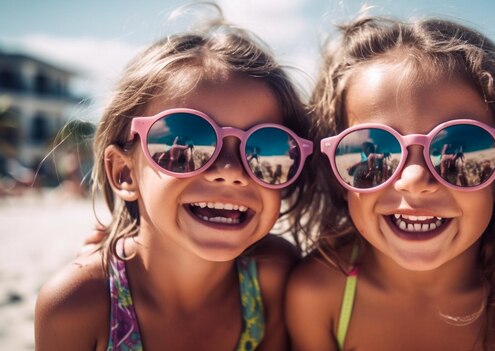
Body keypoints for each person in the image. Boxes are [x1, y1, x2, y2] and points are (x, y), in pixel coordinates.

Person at [287, 14, 495, 350]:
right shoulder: (317, 296)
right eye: (371, 154)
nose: (415, 180)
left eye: (461, 149)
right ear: (337, 175)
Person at [34, 4, 314, 350]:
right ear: (124, 174)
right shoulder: (78, 305)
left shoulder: (273, 274)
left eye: (265, 144)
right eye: (191, 139)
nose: (230, 172)